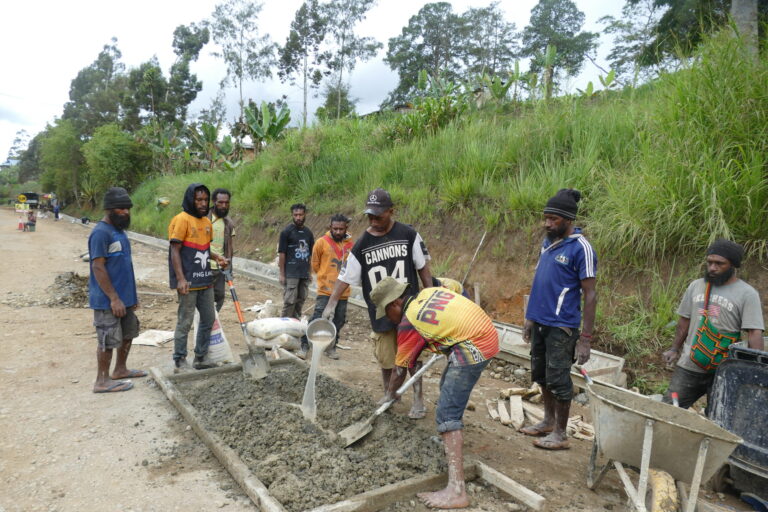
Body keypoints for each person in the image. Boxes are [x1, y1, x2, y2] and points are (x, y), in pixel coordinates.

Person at [371, 277, 499, 509]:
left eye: (386, 313)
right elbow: (457, 288)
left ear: (394, 305)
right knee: (446, 388)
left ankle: (457, 491)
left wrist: (390, 396)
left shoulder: (410, 322)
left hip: (475, 345)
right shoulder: (429, 291)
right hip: (483, 331)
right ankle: (449, 441)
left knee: (446, 413)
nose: (389, 320)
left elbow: (400, 370)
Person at [323, 188, 433, 419]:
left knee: (411, 355)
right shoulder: (362, 243)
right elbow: (346, 276)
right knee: (385, 357)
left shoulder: (408, 234)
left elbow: (422, 265)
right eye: (370, 216)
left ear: (391, 211)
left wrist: (431, 292)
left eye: (378, 216)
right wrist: (331, 304)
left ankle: (418, 398)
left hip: (409, 307)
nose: (373, 221)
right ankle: (390, 394)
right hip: (381, 311)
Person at [520, 188, 597, 450]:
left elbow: (590, 294)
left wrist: (585, 339)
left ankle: (561, 434)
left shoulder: (581, 248)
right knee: (541, 375)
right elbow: (540, 282)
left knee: (559, 378)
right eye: (546, 218)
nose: (548, 223)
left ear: (568, 220)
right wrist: (530, 317)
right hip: (540, 321)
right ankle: (548, 421)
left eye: (553, 219)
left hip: (562, 326)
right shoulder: (548, 243)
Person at [662, 240, 764, 411]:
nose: (712, 268)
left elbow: (754, 332)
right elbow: (684, 321)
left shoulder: (747, 294)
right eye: (709, 262)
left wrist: (757, 371)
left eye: (719, 263)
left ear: (733, 265)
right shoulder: (696, 286)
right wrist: (674, 348)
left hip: (723, 370)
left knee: (719, 418)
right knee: (669, 409)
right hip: (689, 364)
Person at [88, 187, 146, 393]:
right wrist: (113, 298)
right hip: (107, 300)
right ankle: (101, 381)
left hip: (125, 298)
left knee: (129, 333)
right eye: (121, 208)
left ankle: (120, 370)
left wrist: (131, 297)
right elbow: (98, 267)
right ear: (109, 209)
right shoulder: (100, 233)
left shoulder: (120, 232)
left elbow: (124, 266)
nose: (126, 212)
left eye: (128, 208)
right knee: (108, 338)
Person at [168, 183, 229, 371]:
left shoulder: (207, 223)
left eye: (205, 200)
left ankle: (200, 358)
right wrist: (180, 279)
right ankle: (180, 360)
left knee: (208, 319)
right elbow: (175, 250)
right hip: (188, 281)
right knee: (185, 322)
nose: (203, 204)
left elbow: (203, 249)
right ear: (190, 200)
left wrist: (216, 257)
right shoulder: (181, 220)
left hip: (205, 279)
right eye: (198, 200)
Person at [299, 214, 354, 360]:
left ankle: (331, 347)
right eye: (335, 228)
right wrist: (324, 278)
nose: (337, 232)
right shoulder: (321, 242)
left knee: (339, 320)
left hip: (343, 291)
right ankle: (304, 344)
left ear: (346, 228)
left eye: (340, 229)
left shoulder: (351, 245)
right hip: (325, 290)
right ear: (330, 227)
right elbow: (315, 264)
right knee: (318, 317)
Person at [278, 203, 314, 318]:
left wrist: (310, 272)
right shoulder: (286, 232)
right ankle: (284, 324)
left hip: (304, 273)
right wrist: (282, 274)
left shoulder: (308, 233)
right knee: (290, 301)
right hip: (291, 273)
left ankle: (295, 324)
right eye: (296, 215)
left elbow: (310, 254)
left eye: (300, 215)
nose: (298, 217)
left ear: (305, 215)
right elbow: (282, 254)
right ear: (292, 215)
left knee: (301, 299)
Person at [208, 188, 235, 312]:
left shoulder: (228, 222)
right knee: (204, 298)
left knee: (219, 297)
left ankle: (212, 322)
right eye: (220, 202)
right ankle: (204, 324)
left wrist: (229, 267)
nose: (224, 205)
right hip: (205, 266)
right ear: (214, 201)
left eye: (226, 202)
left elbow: (229, 246)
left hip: (220, 267)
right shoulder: (205, 218)